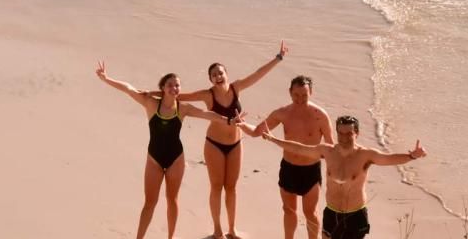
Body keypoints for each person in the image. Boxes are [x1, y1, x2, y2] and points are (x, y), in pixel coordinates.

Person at [95, 62, 243, 239]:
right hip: (154, 159)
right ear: (163, 88)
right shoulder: (150, 103)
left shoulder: (183, 108)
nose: (175, 88)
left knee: (172, 200)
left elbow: (207, 114)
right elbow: (129, 89)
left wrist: (229, 121)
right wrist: (106, 79)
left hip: (176, 159)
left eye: (177, 85)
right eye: (170, 85)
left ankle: (170, 238)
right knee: (150, 203)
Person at [245, 115, 426, 239]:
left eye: (349, 133)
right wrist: (272, 139)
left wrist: (411, 156)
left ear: (357, 133)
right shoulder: (328, 151)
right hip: (332, 212)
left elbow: (388, 159)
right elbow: (299, 148)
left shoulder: (365, 155)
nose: (344, 137)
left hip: (355, 215)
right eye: (341, 133)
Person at [177, 41, 289, 239]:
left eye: (221, 73)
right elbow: (178, 96)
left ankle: (232, 229)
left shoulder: (237, 88)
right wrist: (149, 94)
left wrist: (278, 58)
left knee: (231, 188)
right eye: (214, 75)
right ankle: (217, 230)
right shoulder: (207, 95)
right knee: (216, 187)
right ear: (210, 80)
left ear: (226, 74)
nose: (218, 77)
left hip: (236, 144)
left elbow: (257, 74)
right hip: (214, 145)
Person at [244, 76, 333, 239]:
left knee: (310, 212)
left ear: (311, 92)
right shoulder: (282, 113)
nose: (300, 99)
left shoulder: (320, 115)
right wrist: (242, 125)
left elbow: (331, 148)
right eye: (296, 95)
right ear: (290, 93)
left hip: (311, 170)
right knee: (288, 210)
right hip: (289, 168)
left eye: (304, 95)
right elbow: (257, 131)